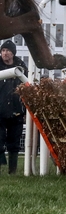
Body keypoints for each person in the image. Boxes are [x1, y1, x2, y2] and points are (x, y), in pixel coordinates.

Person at [0, 40, 28, 175]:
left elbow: (27, 88)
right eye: (3, 50)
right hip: (0, 111)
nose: (5, 53)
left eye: (8, 51)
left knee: (14, 142)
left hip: (17, 111)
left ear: (13, 53)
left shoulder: (21, 67)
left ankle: (13, 170)